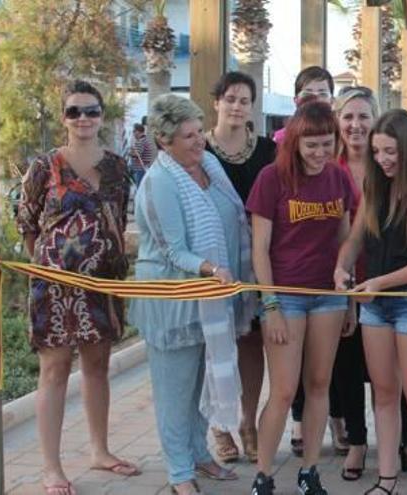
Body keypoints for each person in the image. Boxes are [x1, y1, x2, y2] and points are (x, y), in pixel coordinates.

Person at [15, 80, 140, 495]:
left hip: (102, 283)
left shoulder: (118, 168)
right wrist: (57, 266)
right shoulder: (43, 168)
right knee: (54, 370)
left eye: (90, 110)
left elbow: (119, 223)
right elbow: (28, 227)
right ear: (63, 117)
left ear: (102, 116)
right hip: (53, 288)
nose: (83, 118)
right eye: (74, 111)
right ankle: (51, 469)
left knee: (98, 366)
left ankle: (100, 451)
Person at [131, 94, 254, 495]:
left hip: (209, 297)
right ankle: (179, 472)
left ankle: (200, 455)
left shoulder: (209, 166)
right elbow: (171, 248)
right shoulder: (160, 181)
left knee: (200, 381)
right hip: (174, 298)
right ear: (165, 141)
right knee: (175, 388)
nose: (199, 140)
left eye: (200, 130)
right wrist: (210, 269)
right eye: (189, 135)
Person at [334, 108, 407, 495]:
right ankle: (386, 481)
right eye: (378, 151)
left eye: (390, 152)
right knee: (383, 394)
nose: (382, 160)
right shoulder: (373, 187)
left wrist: (379, 282)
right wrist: (342, 266)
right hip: (376, 304)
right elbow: (354, 239)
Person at [248, 100, 354, 495]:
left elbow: (345, 240)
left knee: (320, 383)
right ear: (294, 142)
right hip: (286, 298)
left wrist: (350, 299)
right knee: (283, 390)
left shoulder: (339, 180)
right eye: (311, 145)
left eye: (327, 144)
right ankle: (263, 474)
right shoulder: (271, 178)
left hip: (328, 297)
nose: (319, 153)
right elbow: (260, 249)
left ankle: (310, 471)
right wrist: (270, 304)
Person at [201, 71, 277, 464]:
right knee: (216, 344)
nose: (236, 106)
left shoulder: (267, 150)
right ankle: (219, 426)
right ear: (216, 102)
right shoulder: (198, 149)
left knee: (251, 341)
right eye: (230, 98)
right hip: (214, 259)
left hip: (258, 257)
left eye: (244, 100)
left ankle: (248, 422)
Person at [332, 85, 380, 481]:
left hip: (384, 280)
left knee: (385, 370)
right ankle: (357, 441)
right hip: (341, 281)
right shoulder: (328, 169)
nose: (355, 124)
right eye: (348, 116)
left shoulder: (389, 165)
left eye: (363, 116)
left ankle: (398, 438)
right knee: (347, 367)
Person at [273, 66, 335, 145]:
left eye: (322, 94)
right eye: (307, 94)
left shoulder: (342, 136)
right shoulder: (281, 139)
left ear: (332, 101)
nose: (315, 99)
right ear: (296, 100)